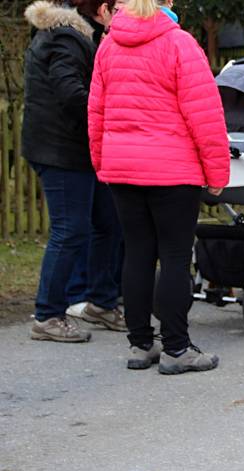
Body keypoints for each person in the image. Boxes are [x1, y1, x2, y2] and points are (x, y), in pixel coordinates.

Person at [88, 0, 229, 373]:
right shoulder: (179, 44)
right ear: (165, 2)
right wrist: (217, 174)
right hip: (173, 171)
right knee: (175, 258)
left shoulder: (108, 45)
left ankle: (140, 344)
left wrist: (102, 161)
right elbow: (206, 115)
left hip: (122, 169)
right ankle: (177, 348)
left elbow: (96, 109)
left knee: (136, 253)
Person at [22, 0, 125, 343]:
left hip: (78, 152)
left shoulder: (69, 36)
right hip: (62, 151)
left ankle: (101, 303)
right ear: (99, 10)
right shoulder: (66, 38)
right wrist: (105, 117)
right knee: (70, 231)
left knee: (107, 223)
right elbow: (70, 92)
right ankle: (48, 315)